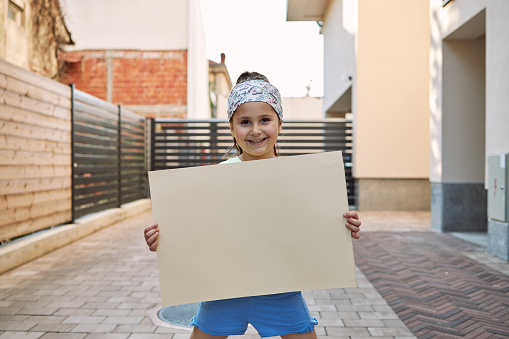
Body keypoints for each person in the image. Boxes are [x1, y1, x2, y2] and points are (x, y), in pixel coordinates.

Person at [144, 71, 361, 339]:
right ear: (232, 128)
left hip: (281, 291)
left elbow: (311, 225)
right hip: (224, 290)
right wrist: (163, 239)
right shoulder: (216, 177)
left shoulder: (301, 178)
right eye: (245, 122)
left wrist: (341, 225)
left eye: (265, 120)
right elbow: (199, 230)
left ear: (279, 124)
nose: (256, 130)